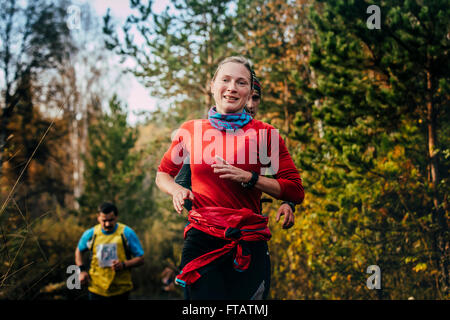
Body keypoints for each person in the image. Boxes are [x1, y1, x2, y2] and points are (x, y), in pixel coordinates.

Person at [156, 56, 304, 300]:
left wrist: (251, 178)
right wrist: (176, 190)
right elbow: (163, 174)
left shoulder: (266, 134)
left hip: (248, 241)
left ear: (249, 92)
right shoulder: (191, 130)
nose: (232, 87)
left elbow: (295, 190)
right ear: (213, 84)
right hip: (201, 240)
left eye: (241, 82)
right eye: (225, 80)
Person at [175, 73, 297, 227]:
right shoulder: (207, 135)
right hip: (207, 229)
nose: (251, 105)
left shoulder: (264, 136)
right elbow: (181, 182)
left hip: (249, 227)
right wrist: (210, 216)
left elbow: (289, 181)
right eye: (248, 98)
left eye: (256, 98)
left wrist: (288, 203)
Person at [75, 202, 144, 300]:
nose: (107, 224)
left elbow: (141, 259)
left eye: (111, 220)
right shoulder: (91, 234)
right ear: (98, 217)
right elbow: (79, 251)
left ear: (116, 217)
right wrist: (81, 271)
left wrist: (124, 265)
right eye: (104, 220)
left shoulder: (126, 233)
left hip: (121, 290)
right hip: (96, 289)